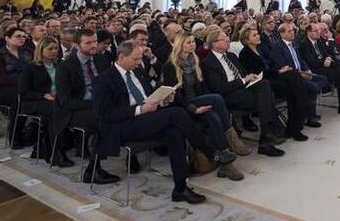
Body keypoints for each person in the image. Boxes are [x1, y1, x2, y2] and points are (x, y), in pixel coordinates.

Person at [93, 41, 216, 204]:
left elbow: (150, 97)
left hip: (146, 119)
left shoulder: (137, 71)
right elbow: (105, 114)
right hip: (123, 125)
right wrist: (139, 109)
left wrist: (164, 100)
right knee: (177, 114)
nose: (138, 63)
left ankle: (180, 189)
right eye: (135, 59)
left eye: (139, 59)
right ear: (121, 56)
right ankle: (207, 150)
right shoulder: (104, 79)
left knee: (175, 134)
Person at [162, 31, 246, 180]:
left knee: (214, 115)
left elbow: (203, 87)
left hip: (199, 99)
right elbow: (175, 95)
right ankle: (231, 139)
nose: (193, 44)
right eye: (188, 42)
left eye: (193, 41)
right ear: (179, 45)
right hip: (183, 106)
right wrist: (194, 108)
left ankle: (225, 163)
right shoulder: (170, 65)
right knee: (217, 98)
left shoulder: (195, 61)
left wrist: (208, 103)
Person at [202, 27, 285, 156]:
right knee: (266, 97)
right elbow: (219, 88)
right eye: (224, 38)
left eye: (227, 37)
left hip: (244, 88)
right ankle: (266, 137)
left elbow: (243, 73)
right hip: (229, 95)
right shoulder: (208, 62)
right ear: (214, 43)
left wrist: (252, 78)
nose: (228, 39)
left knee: (264, 85)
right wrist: (243, 80)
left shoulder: (231, 56)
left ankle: (266, 137)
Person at [56, 29, 119, 183]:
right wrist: (94, 102)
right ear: (77, 45)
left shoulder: (100, 59)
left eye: (95, 41)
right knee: (105, 120)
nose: (93, 45)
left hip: (98, 104)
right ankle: (93, 169)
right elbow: (66, 101)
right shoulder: (66, 67)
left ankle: (96, 166)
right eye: (88, 43)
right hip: (76, 110)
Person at [0, 26, 30, 146]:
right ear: (7, 38)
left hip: (23, 87)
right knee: (18, 97)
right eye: (18, 36)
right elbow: (0, 78)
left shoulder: (26, 53)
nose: (22, 39)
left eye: (24, 36)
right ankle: (14, 134)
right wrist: (24, 82)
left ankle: (28, 129)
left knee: (27, 96)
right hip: (0, 90)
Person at [19, 37, 61, 162]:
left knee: (60, 109)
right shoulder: (31, 67)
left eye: (56, 48)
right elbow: (24, 92)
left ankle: (49, 148)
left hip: (55, 99)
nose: (54, 51)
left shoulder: (58, 64)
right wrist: (43, 95)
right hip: (34, 101)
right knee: (54, 111)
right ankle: (55, 152)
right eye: (50, 49)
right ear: (41, 50)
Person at [299, 23, 340, 114]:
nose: (319, 32)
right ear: (309, 33)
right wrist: (324, 61)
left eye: (318, 30)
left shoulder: (319, 41)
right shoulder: (304, 44)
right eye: (316, 31)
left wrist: (328, 58)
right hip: (314, 69)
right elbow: (311, 62)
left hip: (325, 65)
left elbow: (328, 53)